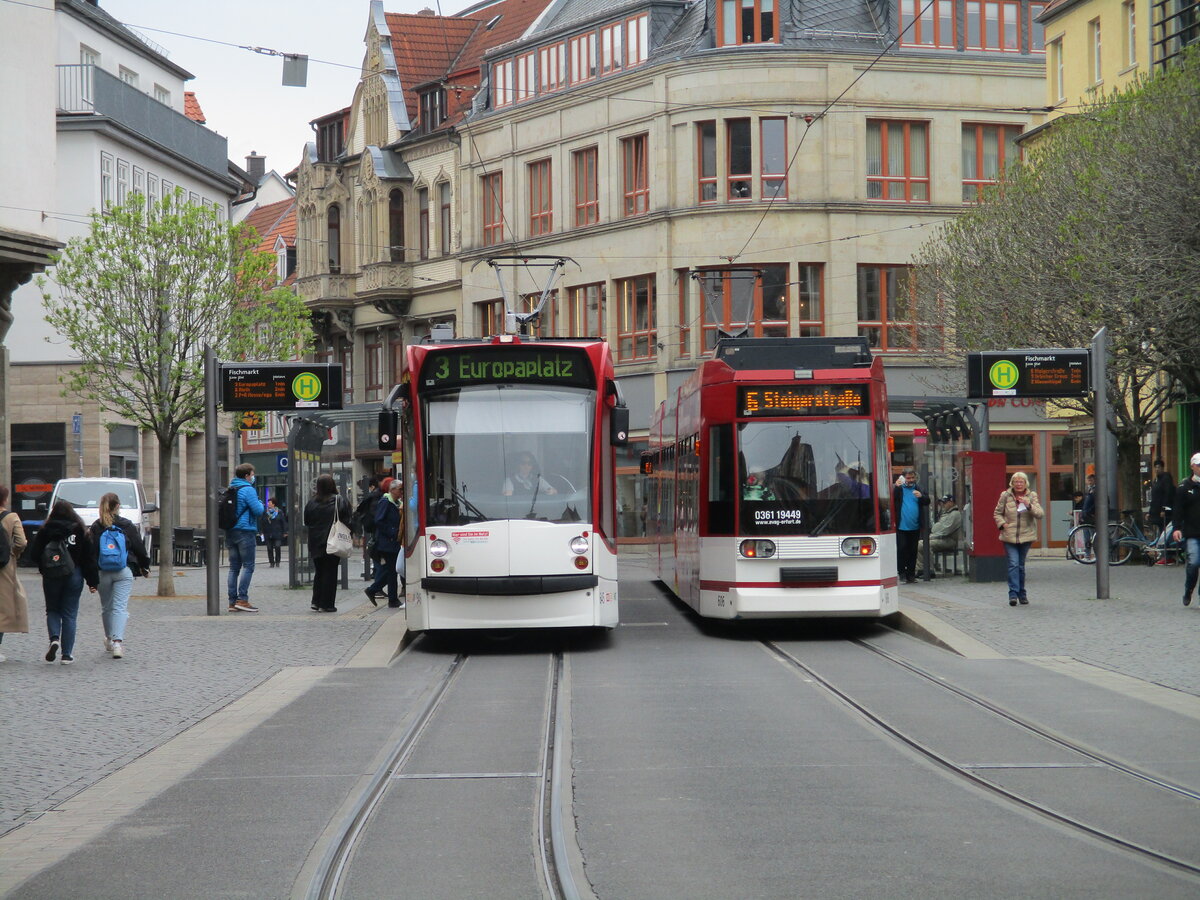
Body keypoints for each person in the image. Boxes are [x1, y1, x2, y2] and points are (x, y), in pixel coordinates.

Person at [29, 500, 99, 665]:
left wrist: (43, 566)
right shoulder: (80, 530)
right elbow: (89, 558)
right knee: (70, 613)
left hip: (51, 575)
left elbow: (34, 554)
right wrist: (92, 582)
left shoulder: (45, 530)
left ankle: (54, 638)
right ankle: (67, 654)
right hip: (74, 574)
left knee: (52, 609)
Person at [88, 492, 151, 658]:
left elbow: (90, 553)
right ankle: (117, 643)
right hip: (123, 570)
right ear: (117, 506)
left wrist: (91, 579)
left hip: (102, 572)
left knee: (106, 607)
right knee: (120, 608)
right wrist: (144, 566)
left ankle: (109, 639)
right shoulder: (127, 525)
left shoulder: (95, 527)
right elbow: (139, 548)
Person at [994, 471, 1044, 607]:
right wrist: (1002, 524)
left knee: (1020, 566)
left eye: (1021, 482)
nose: (1019, 484)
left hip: (1026, 536)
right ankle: (1013, 595)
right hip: (1009, 536)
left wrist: (1028, 505)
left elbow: (1040, 514)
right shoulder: (1005, 495)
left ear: (1025, 483)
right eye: (1016, 481)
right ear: (1012, 483)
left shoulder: (1032, 496)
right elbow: (997, 513)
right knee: (1013, 564)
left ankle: (1022, 593)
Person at [304, 473, 352, 613]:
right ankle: (327, 604)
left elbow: (307, 521)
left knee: (319, 572)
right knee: (330, 573)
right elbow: (348, 519)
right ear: (332, 485)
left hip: (315, 541)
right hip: (333, 541)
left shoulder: (311, 502)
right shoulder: (339, 500)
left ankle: (316, 601)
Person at [225, 463, 264, 613]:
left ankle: (232, 602)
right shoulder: (248, 490)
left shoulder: (231, 488)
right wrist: (260, 502)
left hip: (231, 531)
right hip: (245, 531)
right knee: (248, 566)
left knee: (234, 568)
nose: (253, 477)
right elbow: (258, 510)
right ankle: (242, 599)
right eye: (252, 474)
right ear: (247, 475)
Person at [365, 478, 405, 608]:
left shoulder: (396, 502)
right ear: (392, 490)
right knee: (392, 570)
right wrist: (393, 532)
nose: (401, 492)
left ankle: (376, 591)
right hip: (387, 542)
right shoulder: (386, 502)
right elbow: (379, 520)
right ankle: (390, 598)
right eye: (400, 489)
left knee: (391, 570)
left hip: (392, 542)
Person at [0, 485, 29, 663]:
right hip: (3, 566)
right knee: (3, 606)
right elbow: (22, 542)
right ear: (5, 498)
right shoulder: (11, 517)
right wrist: (13, 554)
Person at [1171, 453, 1200, 606]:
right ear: (1192, 466)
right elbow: (1178, 510)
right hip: (1192, 533)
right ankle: (1189, 589)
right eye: (1199, 465)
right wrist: (1176, 528)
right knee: (1194, 563)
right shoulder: (1184, 487)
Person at [892, 469, 929, 584]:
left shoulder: (918, 488)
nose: (911, 480)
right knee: (902, 548)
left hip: (915, 526)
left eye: (912, 478)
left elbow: (927, 501)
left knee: (913, 551)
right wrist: (894, 486)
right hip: (901, 526)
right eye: (908, 478)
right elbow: (890, 499)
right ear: (903, 478)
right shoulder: (899, 489)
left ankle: (911, 575)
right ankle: (902, 572)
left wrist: (921, 496)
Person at [917, 495, 962, 573]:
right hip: (942, 538)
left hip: (949, 540)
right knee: (918, 544)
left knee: (925, 545)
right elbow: (937, 529)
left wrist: (932, 536)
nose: (943, 505)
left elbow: (944, 531)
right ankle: (921, 569)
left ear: (951, 503)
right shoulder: (947, 513)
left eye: (945, 503)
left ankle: (930, 569)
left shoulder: (954, 514)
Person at [354, 476, 383, 581]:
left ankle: (376, 576)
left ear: (372, 486)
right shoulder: (378, 496)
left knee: (374, 551)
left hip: (375, 530)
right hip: (376, 530)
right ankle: (376, 572)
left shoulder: (374, 497)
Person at [259, 497, 288, 568]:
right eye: (268, 503)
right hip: (268, 533)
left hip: (277, 533)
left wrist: (285, 531)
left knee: (277, 546)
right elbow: (262, 522)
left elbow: (283, 522)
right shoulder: (265, 512)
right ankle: (271, 562)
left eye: (270, 503)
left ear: (273, 504)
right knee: (269, 548)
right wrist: (261, 531)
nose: (268, 504)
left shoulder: (279, 512)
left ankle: (277, 561)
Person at [1149, 459, 1174, 534]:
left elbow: (1168, 494)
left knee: (1164, 530)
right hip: (1156, 511)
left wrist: (1164, 509)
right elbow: (1154, 497)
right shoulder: (1156, 480)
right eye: (1155, 467)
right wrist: (1150, 512)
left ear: (1162, 468)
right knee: (1160, 530)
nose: (1157, 469)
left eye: (1159, 467)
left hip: (1163, 512)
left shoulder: (1166, 479)